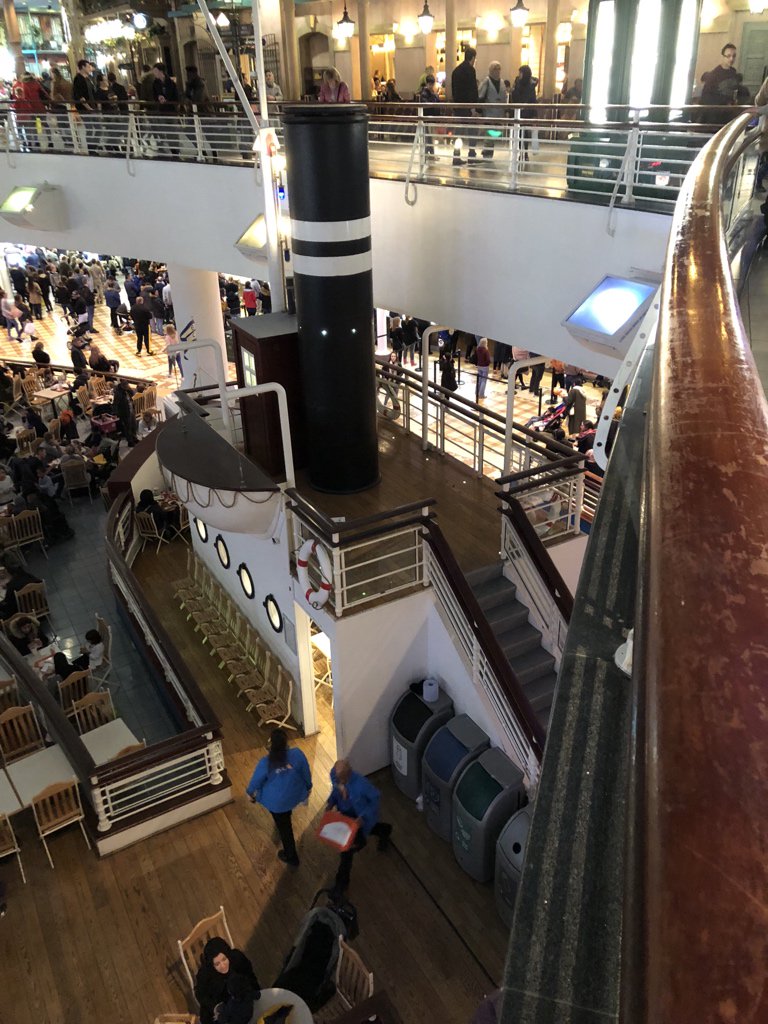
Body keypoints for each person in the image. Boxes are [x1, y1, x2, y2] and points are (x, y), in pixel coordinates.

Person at [246, 728, 312, 867]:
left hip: (276, 803)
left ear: (271, 744)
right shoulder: (297, 754)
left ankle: (291, 856)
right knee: (285, 815)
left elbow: (255, 782)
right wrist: (308, 786)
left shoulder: (265, 762)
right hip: (293, 795)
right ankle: (285, 816)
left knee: (285, 828)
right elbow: (306, 772)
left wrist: (250, 793)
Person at [327, 758, 392, 895]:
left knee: (346, 853)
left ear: (348, 774)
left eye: (340, 778)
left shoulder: (362, 785)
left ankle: (341, 884)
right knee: (372, 831)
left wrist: (362, 818)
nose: (337, 779)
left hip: (359, 819)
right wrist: (330, 803)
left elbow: (375, 799)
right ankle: (385, 830)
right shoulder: (335, 775)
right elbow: (334, 788)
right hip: (346, 816)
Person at [194, 938, 260, 1024]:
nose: (223, 965)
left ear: (228, 955)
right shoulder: (205, 974)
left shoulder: (237, 959)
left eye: (224, 959)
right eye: (217, 964)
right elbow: (200, 994)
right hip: (220, 1007)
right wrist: (215, 1007)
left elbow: (250, 976)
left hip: (242, 1001)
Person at [451, 46, 479, 166]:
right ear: (473, 58)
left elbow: (453, 90)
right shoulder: (471, 70)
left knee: (459, 132)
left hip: (458, 106)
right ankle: (471, 154)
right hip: (468, 107)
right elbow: (473, 90)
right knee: (472, 131)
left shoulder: (456, 71)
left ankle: (456, 155)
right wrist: (474, 107)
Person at [700, 43, 740, 125]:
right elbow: (706, 97)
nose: (731, 59)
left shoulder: (733, 72)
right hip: (715, 116)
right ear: (723, 57)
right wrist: (724, 102)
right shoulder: (714, 74)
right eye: (728, 56)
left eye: (734, 56)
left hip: (729, 114)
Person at [478, 61, 507, 161]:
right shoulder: (487, 81)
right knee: (490, 131)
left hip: (499, 113)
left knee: (496, 132)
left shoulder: (502, 82)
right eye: (495, 69)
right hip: (489, 112)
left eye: (499, 69)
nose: (497, 71)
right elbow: (480, 95)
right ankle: (487, 149)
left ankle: (488, 148)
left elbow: (504, 97)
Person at [510, 65, 538, 160]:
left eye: (520, 73)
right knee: (519, 133)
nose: (519, 75)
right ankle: (520, 152)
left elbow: (533, 100)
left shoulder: (529, 86)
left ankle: (523, 152)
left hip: (525, 113)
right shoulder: (519, 83)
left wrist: (534, 115)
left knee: (523, 133)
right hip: (520, 112)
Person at [72, 59, 97, 152]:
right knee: (90, 128)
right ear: (83, 67)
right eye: (88, 66)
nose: (90, 68)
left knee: (97, 127)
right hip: (85, 108)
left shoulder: (88, 79)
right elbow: (80, 96)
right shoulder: (78, 79)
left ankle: (94, 146)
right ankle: (91, 148)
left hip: (92, 106)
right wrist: (88, 108)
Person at [112, 379, 138, 446]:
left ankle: (134, 437)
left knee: (134, 425)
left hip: (131, 409)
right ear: (123, 386)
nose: (127, 386)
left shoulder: (128, 391)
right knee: (128, 427)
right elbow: (115, 404)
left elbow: (133, 394)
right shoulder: (118, 393)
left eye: (128, 385)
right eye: (126, 386)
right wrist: (115, 413)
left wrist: (129, 389)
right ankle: (130, 441)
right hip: (125, 412)